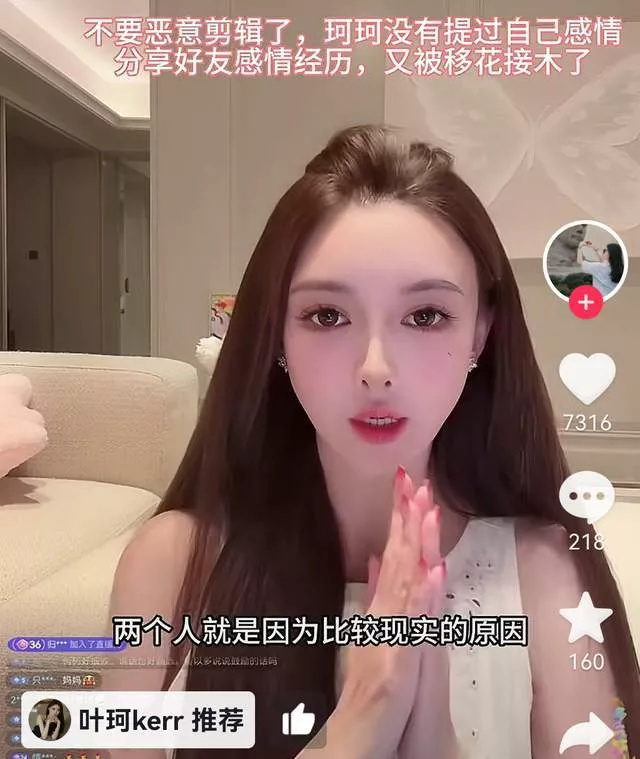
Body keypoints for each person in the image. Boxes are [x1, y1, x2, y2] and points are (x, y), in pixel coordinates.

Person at [104, 125, 640, 759]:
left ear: (479, 333)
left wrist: (433, 740)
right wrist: (360, 724)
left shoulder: (548, 570)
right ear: (277, 334)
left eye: (426, 316)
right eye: (327, 316)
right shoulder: (173, 564)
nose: (375, 368)